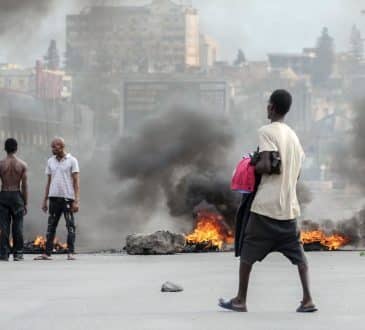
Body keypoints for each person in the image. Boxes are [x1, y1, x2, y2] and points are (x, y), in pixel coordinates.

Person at [219, 90, 317, 313]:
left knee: (247, 252)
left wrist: (250, 164)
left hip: (265, 206)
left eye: (267, 105)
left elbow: (268, 165)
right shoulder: (293, 136)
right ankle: (308, 299)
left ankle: (240, 300)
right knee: (298, 255)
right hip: (289, 208)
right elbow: (296, 171)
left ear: (272, 107)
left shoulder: (266, 131)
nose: (267, 108)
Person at [34, 137, 80, 261]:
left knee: (70, 226)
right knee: (51, 226)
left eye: (54, 146)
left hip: (67, 198)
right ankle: (47, 253)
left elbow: (76, 182)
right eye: (52, 146)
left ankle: (71, 252)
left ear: (61, 146)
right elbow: (48, 182)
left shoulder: (72, 160)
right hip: (53, 198)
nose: (52, 149)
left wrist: (76, 201)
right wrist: (45, 200)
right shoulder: (50, 161)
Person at [0, 138, 28, 261]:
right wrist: (25, 202)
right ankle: (18, 253)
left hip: (4, 194)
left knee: (4, 226)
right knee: (18, 226)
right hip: (17, 196)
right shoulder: (22, 165)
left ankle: (4, 254)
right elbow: (25, 186)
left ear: (5, 148)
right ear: (16, 148)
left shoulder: (1, 164)